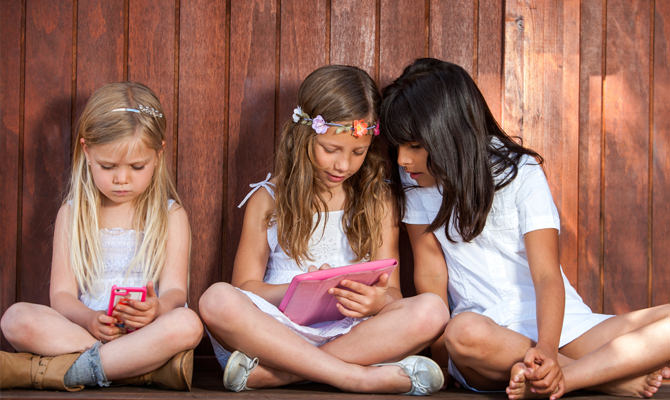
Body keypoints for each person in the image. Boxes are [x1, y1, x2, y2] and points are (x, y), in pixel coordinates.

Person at [380, 58, 670, 399]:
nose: (402, 159)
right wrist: (444, 363)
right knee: (463, 331)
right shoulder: (414, 179)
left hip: (558, 329)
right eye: (398, 146)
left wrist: (547, 350)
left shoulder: (520, 171)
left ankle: (570, 377)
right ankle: (604, 377)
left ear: (450, 133)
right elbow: (430, 276)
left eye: (414, 146)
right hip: (485, 339)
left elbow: (547, 275)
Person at [199, 65, 448, 395]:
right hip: (275, 334)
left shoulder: (378, 199)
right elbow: (244, 288)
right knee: (216, 300)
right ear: (304, 136)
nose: (343, 165)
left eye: (358, 152)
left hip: (352, 334)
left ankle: (282, 376)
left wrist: (375, 302)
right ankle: (353, 378)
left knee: (432, 310)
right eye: (331, 149)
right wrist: (299, 288)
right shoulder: (267, 199)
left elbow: (394, 294)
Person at [0, 82, 203, 391]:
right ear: (87, 152)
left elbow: (176, 292)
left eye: (137, 166)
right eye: (108, 166)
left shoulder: (171, 215)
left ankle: (63, 371)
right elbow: (62, 297)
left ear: (159, 154)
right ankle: (137, 369)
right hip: (87, 331)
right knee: (15, 319)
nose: (122, 179)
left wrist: (156, 309)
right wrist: (89, 319)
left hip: (146, 333)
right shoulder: (73, 213)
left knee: (188, 325)